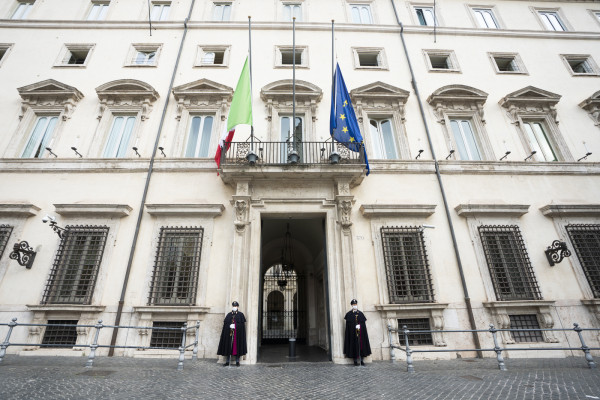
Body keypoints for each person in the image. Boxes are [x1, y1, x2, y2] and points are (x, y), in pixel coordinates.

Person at [217, 301, 247, 366]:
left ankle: (237, 361)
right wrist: (229, 326)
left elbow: (242, 326)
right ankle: (227, 361)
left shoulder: (240, 315)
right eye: (233, 306)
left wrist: (235, 326)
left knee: (237, 347)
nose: (234, 307)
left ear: (237, 307)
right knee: (228, 346)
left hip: (237, 335)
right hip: (229, 334)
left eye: (235, 306)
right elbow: (225, 324)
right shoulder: (229, 314)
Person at [343, 299, 371, 366]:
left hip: (360, 334)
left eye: (355, 304)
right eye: (353, 304)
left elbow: (363, 324)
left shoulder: (360, 314)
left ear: (357, 305)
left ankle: (361, 360)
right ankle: (355, 360)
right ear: (351, 305)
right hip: (352, 334)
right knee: (353, 346)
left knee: (361, 345)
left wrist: (360, 326)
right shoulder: (349, 314)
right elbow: (348, 326)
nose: (354, 305)